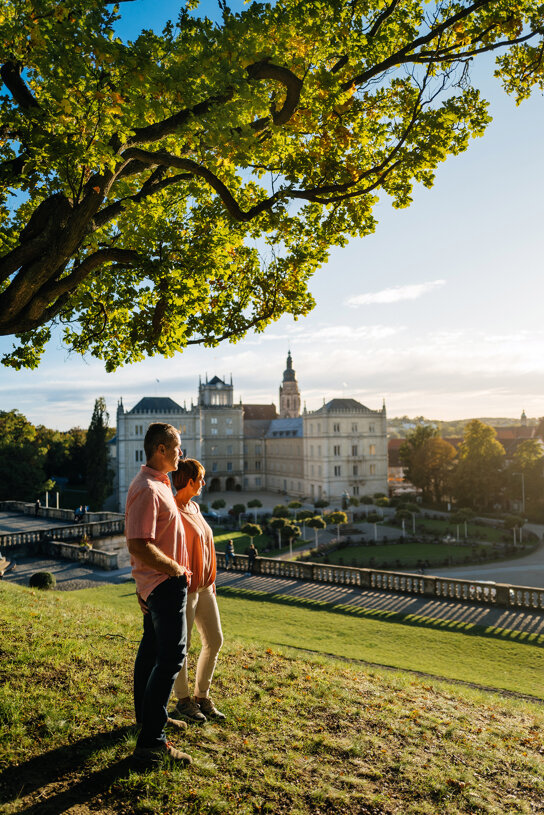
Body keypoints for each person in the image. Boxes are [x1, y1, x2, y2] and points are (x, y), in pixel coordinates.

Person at [125, 422, 192, 764]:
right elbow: (138, 543)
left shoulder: (159, 483)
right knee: (170, 659)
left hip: (158, 585)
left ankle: (151, 718)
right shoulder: (148, 488)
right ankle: (152, 741)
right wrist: (175, 570)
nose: (181, 452)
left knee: (151, 653)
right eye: (177, 447)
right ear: (161, 450)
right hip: (165, 585)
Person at [171, 459, 225, 723]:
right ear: (189, 481)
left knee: (215, 640)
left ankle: (202, 696)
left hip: (205, 587)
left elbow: (205, 545)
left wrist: (211, 580)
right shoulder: (173, 511)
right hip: (186, 589)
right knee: (183, 646)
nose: (204, 483)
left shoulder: (194, 507)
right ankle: (183, 701)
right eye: (201, 479)